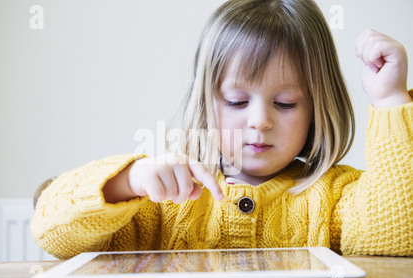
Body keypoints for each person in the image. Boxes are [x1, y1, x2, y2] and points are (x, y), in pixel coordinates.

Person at [31, 0, 412, 260]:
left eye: (285, 103)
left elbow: (397, 234)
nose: (259, 121)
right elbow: (52, 230)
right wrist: (126, 181)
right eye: (235, 101)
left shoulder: (336, 197)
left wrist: (391, 99)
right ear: (206, 102)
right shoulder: (161, 197)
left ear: (317, 108)